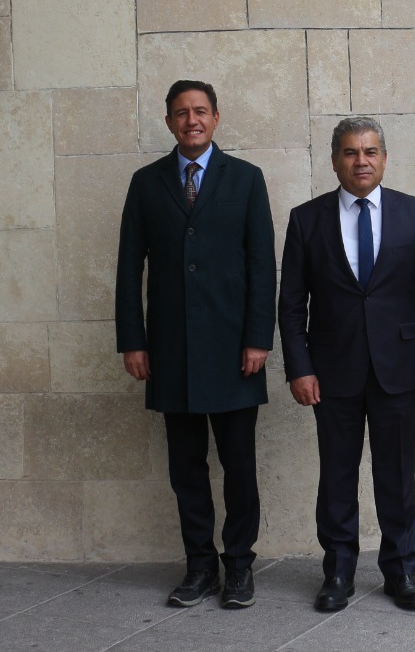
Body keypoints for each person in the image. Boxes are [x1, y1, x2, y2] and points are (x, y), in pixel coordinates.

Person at [277, 116, 415, 613]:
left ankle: (402, 572)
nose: (361, 161)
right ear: (335, 160)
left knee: (397, 474)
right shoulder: (306, 219)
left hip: (401, 367)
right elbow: (291, 305)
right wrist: (299, 367)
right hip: (332, 371)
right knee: (337, 475)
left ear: (384, 159)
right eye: (351, 152)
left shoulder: (414, 213)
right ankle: (338, 573)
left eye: (370, 151)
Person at [115, 80, 276, 610]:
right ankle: (200, 567)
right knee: (186, 469)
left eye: (201, 111)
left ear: (216, 118)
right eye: (182, 113)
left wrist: (258, 338)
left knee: (239, 467)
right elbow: (129, 267)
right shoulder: (146, 183)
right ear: (169, 122)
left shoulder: (246, 179)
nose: (192, 120)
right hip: (172, 351)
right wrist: (133, 341)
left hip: (235, 352)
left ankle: (240, 566)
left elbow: (262, 265)